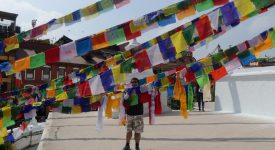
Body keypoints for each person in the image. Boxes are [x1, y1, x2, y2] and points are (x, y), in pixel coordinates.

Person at [123, 77, 144, 150]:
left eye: (135, 82)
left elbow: (151, 90)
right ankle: (127, 145)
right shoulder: (127, 90)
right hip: (129, 114)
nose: (134, 83)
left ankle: (137, 146)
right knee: (128, 131)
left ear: (138, 83)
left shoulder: (142, 90)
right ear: (131, 83)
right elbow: (125, 99)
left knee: (137, 131)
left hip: (138, 114)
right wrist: (129, 92)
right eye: (132, 82)